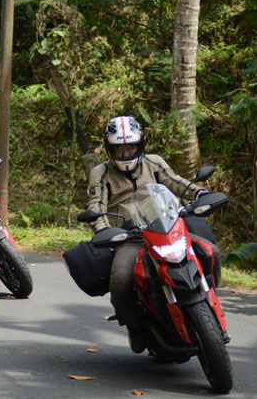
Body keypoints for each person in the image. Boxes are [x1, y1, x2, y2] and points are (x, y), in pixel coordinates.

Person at [86, 115, 210, 354]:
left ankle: (209, 298)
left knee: (209, 251)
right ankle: (134, 325)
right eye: (119, 148)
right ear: (109, 148)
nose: (125, 153)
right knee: (120, 279)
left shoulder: (154, 162)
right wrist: (103, 229)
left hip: (167, 228)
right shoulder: (100, 172)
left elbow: (176, 182)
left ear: (140, 144)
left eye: (130, 146)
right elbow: (96, 205)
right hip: (129, 237)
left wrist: (199, 193)